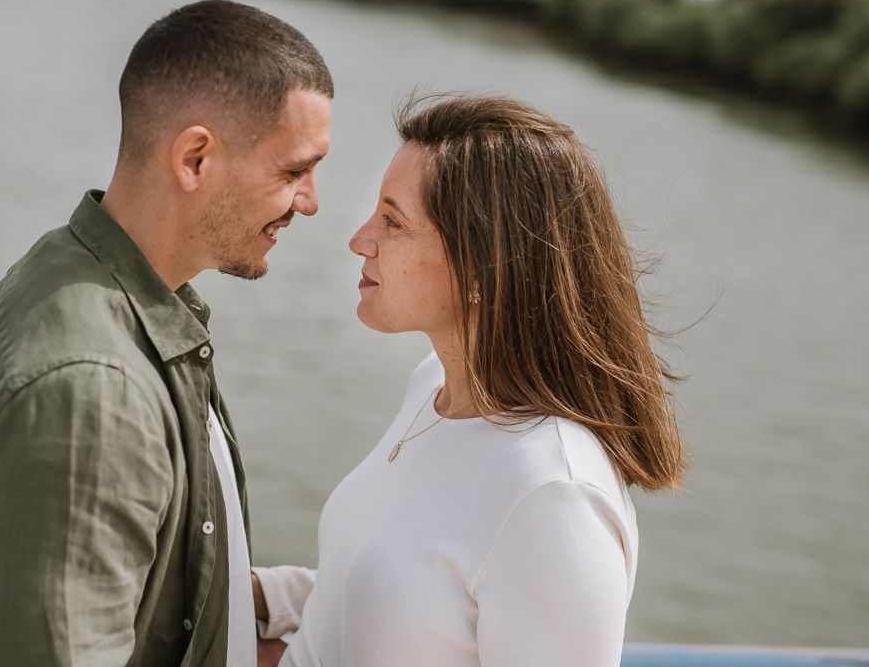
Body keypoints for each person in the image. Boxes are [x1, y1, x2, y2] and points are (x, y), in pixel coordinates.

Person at [0, 0, 333, 667]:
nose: (311, 201)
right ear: (195, 159)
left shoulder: (72, 272)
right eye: (293, 171)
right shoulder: (91, 394)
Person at [252, 95, 686, 667]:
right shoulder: (434, 388)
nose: (360, 239)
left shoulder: (554, 495)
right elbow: (401, 598)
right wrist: (257, 594)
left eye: (393, 222)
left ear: (483, 264)